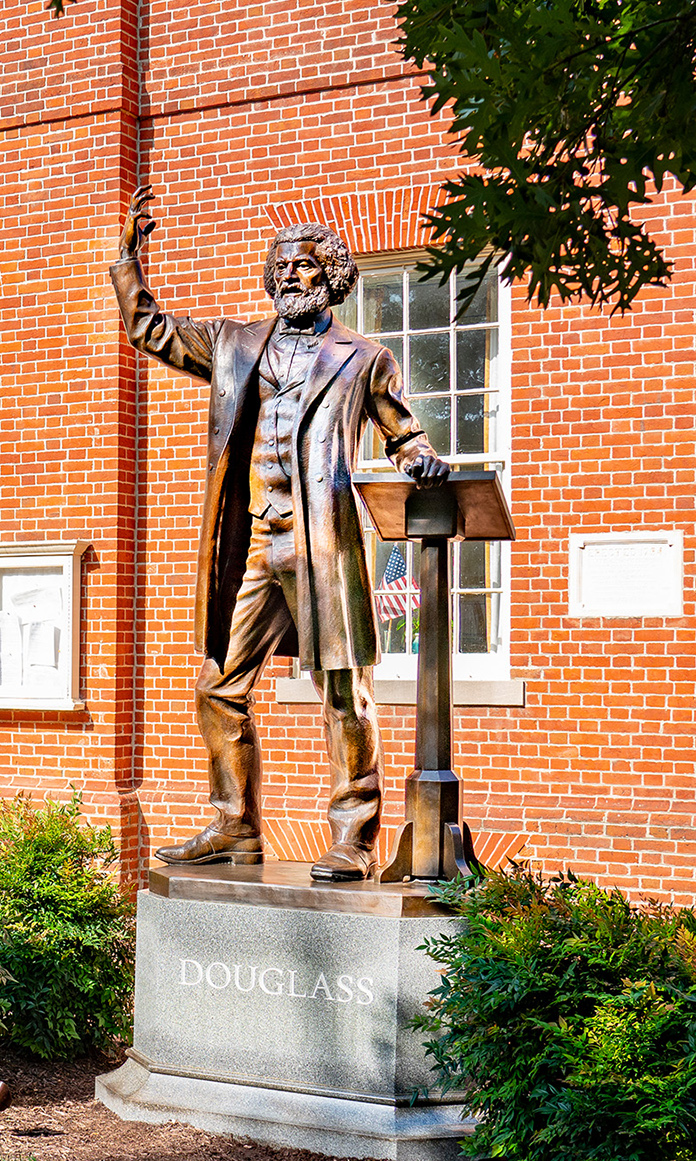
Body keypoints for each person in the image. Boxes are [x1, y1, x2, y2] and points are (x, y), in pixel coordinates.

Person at [111, 187, 447, 881]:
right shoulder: (234, 343)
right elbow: (152, 330)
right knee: (218, 683)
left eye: (307, 265)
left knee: (343, 691)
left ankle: (353, 835)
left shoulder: (364, 357)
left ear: (332, 278)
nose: (292, 274)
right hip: (258, 545)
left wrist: (418, 458)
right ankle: (235, 824)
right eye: (283, 264)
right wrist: (127, 262)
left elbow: (401, 432)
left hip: (323, 541)